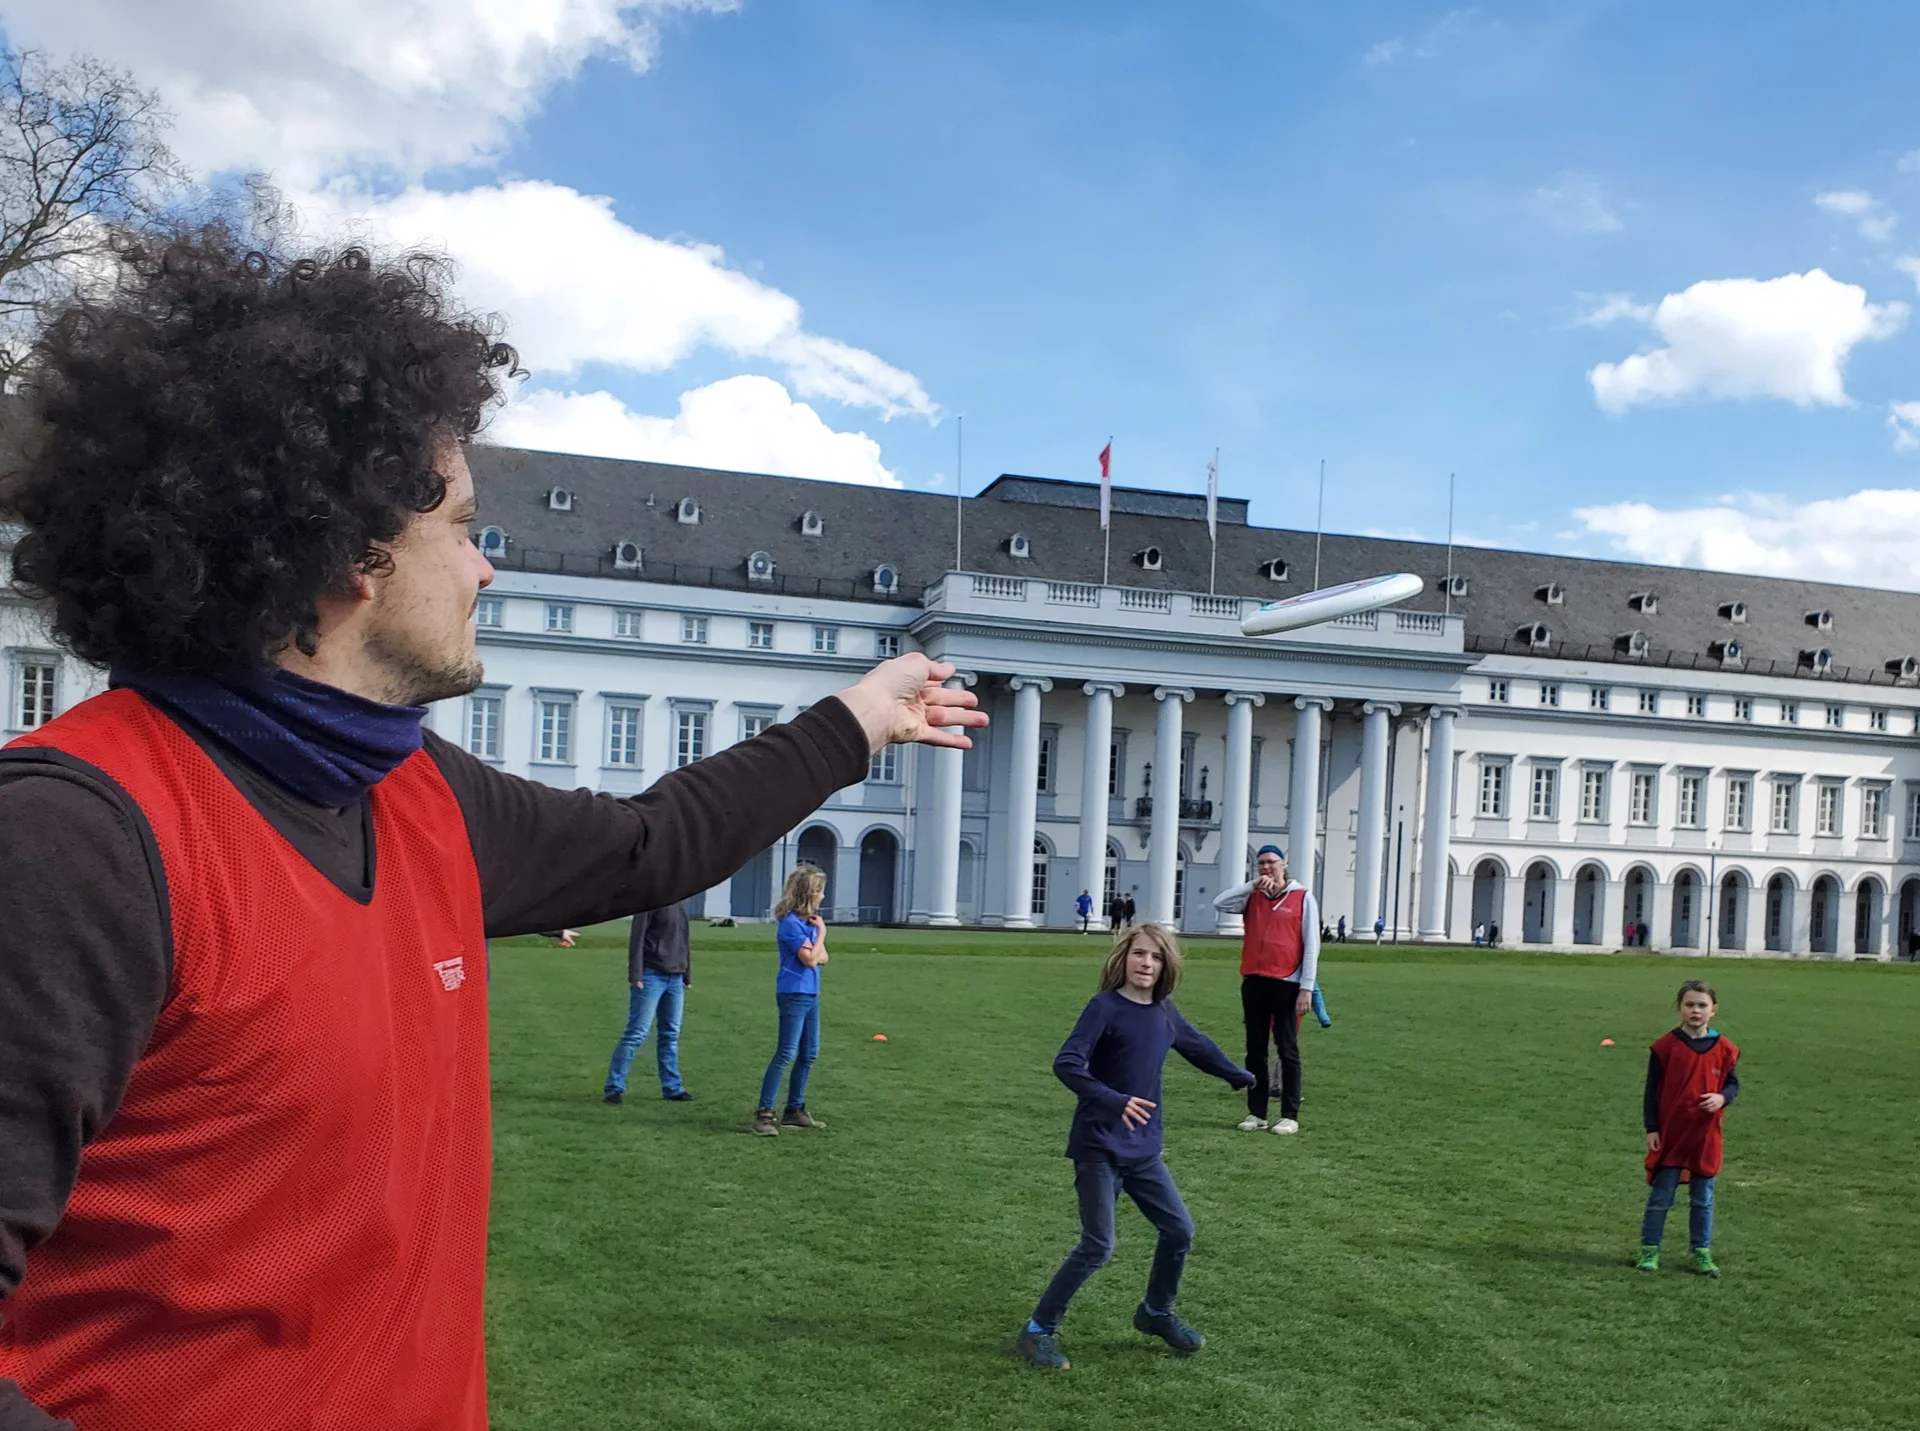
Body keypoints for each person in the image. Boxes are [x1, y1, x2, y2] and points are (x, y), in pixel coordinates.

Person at [0, 231, 987, 1430]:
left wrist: (854, 721)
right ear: (354, 558)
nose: (486, 570)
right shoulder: (73, 839)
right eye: (465, 526)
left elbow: (647, 844)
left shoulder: (416, 793)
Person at [1014, 923, 1253, 1371]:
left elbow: (1196, 1045)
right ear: (1124, 958)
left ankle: (1155, 1313)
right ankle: (1036, 1331)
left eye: (1156, 957)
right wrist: (1113, 1100)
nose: (1147, 963)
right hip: (1098, 1145)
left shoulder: (1163, 1012)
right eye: (1140, 954)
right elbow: (1066, 1063)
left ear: (1167, 965)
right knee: (1098, 1246)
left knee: (1180, 1230)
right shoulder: (1103, 1007)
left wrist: (1236, 1074)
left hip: (1143, 1148)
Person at [1637, 980, 1740, 1278]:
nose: (1695, 1010)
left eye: (1702, 1005)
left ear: (1713, 1010)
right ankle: (1649, 1250)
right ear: (1679, 1009)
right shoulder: (1665, 1047)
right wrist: (1652, 1127)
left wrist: (1722, 1098)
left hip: (1705, 1135)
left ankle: (1701, 1252)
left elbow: (1733, 1084)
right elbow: (1651, 1090)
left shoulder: (1725, 1049)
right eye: (1689, 1005)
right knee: (1661, 1196)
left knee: (1703, 1198)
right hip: (1672, 1133)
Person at [1213, 845, 1318, 1136]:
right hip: (1254, 980)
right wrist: (1250, 885)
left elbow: (1311, 946)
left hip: (1286, 981)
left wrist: (1306, 987)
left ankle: (1289, 1114)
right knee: (1254, 1050)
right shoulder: (1252, 897)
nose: (1266, 868)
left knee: (1287, 1048)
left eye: (1271, 862)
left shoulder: (1302, 897)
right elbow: (1219, 903)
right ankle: (1257, 1112)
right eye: (1261, 863)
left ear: (1283, 865)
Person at [754, 865, 831, 1136]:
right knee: (786, 1052)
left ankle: (794, 1110)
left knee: (809, 1052)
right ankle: (764, 1114)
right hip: (793, 992)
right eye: (820, 891)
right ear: (809, 893)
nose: (823, 896)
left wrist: (817, 946)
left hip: (811, 992)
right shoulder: (791, 924)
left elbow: (824, 958)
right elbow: (811, 959)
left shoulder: (807, 923)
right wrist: (821, 934)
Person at [603, 900, 694, 1106]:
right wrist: (636, 974)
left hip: (675, 977)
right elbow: (637, 938)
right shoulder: (650, 902)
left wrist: (686, 973)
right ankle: (614, 1087)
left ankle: (672, 1087)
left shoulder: (681, 904)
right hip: (651, 975)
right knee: (636, 1033)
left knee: (670, 1035)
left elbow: (684, 940)